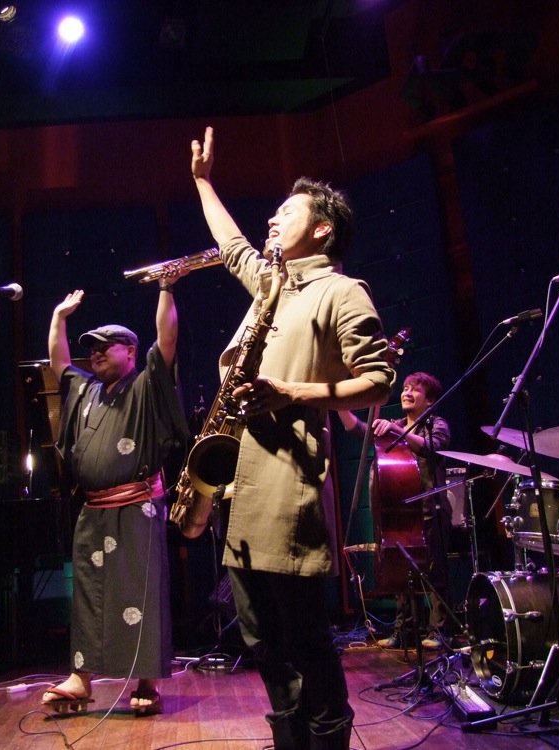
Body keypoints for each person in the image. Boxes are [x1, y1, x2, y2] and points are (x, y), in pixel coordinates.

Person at [190, 126, 396, 750]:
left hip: (287, 486)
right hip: (241, 487)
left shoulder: (341, 291)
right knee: (261, 640)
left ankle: (328, 738)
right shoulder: (270, 284)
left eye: (287, 212)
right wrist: (202, 181)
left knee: (304, 636)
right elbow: (231, 245)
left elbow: (379, 381)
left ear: (323, 229)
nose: (273, 220)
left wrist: (291, 392)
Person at [40, 276, 189, 716]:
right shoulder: (85, 390)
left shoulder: (145, 386)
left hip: (137, 508)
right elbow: (59, 362)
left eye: (108, 345)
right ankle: (80, 679)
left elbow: (167, 339)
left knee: (139, 593)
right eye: (93, 347)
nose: (97, 352)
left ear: (131, 352)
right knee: (88, 594)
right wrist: (58, 317)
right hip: (93, 512)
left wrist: (166, 288)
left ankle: (146, 681)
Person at [338, 372, 452, 651]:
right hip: (403, 511)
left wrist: (396, 431)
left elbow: (432, 447)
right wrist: (339, 406)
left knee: (434, 572)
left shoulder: (436, 424)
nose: (407, 393)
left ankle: (441, 631)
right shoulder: (396, 425)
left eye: (415, 389)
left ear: (430, 400)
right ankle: (405, 630)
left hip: (431, 508)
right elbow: (359, 431)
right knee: (402, 572)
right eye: (405, 388)